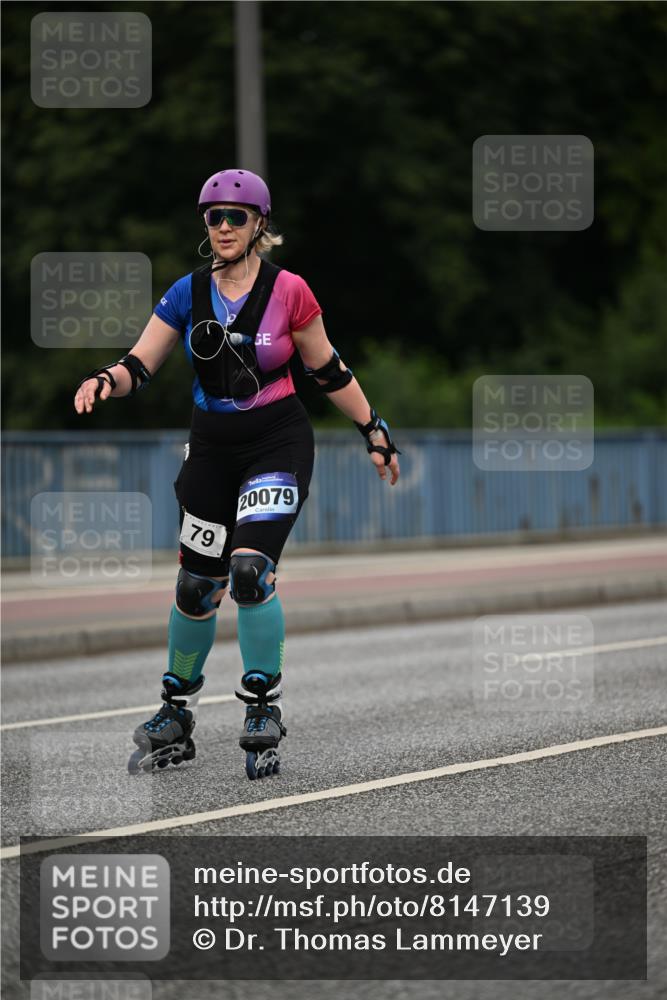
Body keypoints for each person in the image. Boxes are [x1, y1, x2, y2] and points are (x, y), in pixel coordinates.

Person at [74, 168, 400, 780]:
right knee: (197, 586)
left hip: (277, 439)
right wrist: (103, 380)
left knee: (250, 571)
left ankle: (260, 707)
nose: (223, 227)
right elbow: (138, 364)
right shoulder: (186, 292)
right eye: (213, 217)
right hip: (212, 448)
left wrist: (373, 430)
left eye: (236, 217)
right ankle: (175, 712)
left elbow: (328, 370)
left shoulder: (290, 292)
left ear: (260, 225)